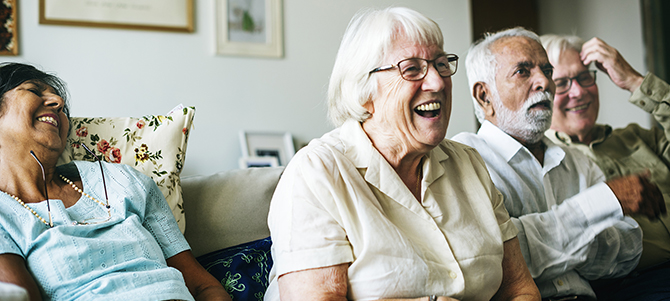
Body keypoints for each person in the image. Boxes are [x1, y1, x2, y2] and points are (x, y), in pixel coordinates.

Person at [264, 7, 540, 301]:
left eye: (442, 64)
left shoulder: (469, 163)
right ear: (364, 91)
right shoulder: (317, 173)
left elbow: (519, 289)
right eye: (411, 68)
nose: (436, 82)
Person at [452, 27, 666, 301]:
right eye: (523, 71)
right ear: (485, 96)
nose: (545, 82)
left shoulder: (577, 162)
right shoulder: (466, 159)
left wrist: (537, 238)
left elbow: (628, 249)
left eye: (547, 70)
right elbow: (495, 260)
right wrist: (599, 206)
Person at [0, 62, 231, 301]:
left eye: (59, 101)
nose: (57, 102)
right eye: (34, 91)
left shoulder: (122, 180)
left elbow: (202, 286)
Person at [541, 34, 670, 300]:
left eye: (584, 77)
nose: (578, 92)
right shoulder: (544, 162)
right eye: (562, 83)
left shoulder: (638, 138)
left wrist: (635, 81)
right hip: (634, 286)